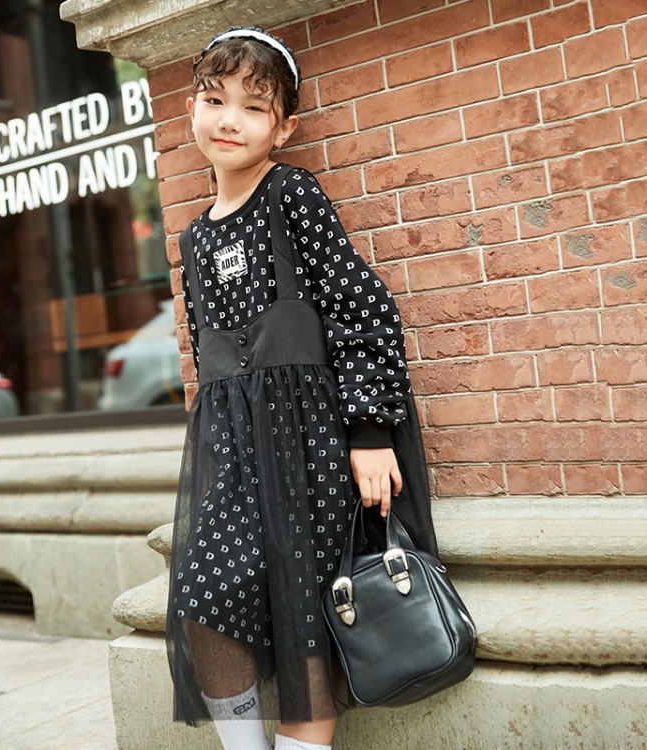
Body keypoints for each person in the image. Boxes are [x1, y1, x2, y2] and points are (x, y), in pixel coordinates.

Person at [166, 26, 438, 750]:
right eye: (215, 100)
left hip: (311, 446)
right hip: (236, 455)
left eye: (253, 108)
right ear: (191, 109)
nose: (229, 119)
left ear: (282, 128)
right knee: (202, 598)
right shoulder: (193, 240)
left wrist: (370, 433)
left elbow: (362, 308)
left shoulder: (290, 194)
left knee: (305, 618)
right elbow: (209, 360)